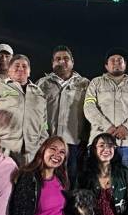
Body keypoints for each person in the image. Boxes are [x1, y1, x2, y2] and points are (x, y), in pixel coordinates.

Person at [0, 55, 49, 166]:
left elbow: (44, 124)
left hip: (32, 154)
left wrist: (42, 143)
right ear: (9, 70)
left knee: (27, 183)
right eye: (17, 65)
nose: (20, 68)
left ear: (29, 71)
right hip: (3, 149)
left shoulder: (39, 93)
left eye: (24, 66)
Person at [83, 49, 128, 172]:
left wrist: (127, 127)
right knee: (97, 180)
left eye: (120, 60)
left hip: (127, 143)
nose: (116, 62)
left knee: (127, 182)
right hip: (100, 142)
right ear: (106, 65)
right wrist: (106, 126)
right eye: (113, 60)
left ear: (125, 64)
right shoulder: (95, 83)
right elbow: (89, 107)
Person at [36, 46, 89, 176]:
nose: (62, 61)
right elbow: (35, 113)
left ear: (72, 61)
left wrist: (85, 138)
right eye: (58, 59)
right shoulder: (42, 84)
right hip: (47, 141)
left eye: (65, 58)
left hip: (73, 143)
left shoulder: (84, 84)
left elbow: (89, 113)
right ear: (52, 63)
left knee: (70, 180)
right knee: (46, 178)